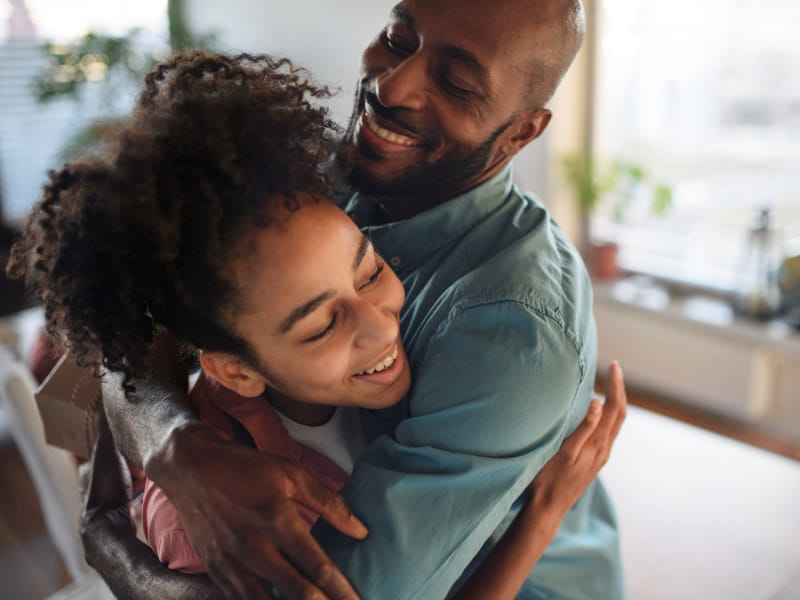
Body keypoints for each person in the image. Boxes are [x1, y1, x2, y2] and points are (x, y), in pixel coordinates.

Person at [10, 50, 626, 600]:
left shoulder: (309, 218)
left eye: (369, 273)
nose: (381, 329)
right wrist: (541, 517)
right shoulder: (233, 517)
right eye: (320, 325)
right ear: (236, 369)